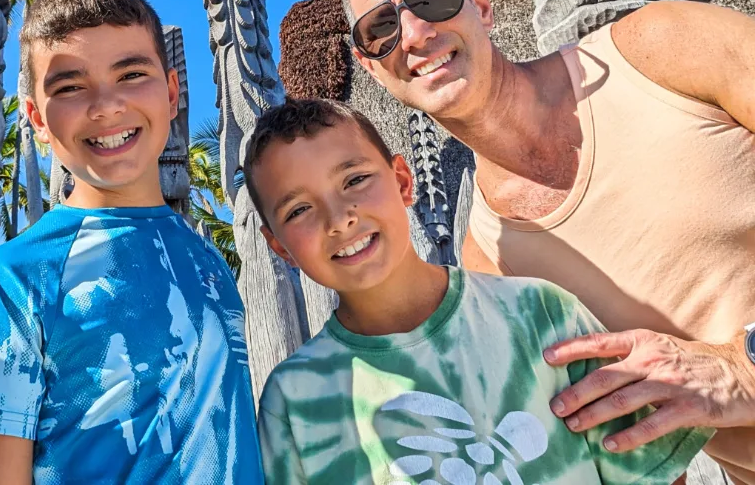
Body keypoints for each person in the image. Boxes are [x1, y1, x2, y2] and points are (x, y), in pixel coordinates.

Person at [340, 0, 755, 482]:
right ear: (371, 67)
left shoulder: (664, 49)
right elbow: (631, 454)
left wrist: (741, 362)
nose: (414, 34)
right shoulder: (490, 264)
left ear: (481, 5)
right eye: (380, 29)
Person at [249, 97, 709, 485]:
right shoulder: (294, 401)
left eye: (354, 180)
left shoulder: (541, 314)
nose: (339, 218)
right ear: (280, 248)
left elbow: (654, 470)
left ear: (404, 182)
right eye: (299, 209)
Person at [0, 0, 263, 484]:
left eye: (132, 74)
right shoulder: (13, 278)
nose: (106, 105)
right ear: (38, 120)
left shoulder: (207, 259)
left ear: (173, 92)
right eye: (70, 86)